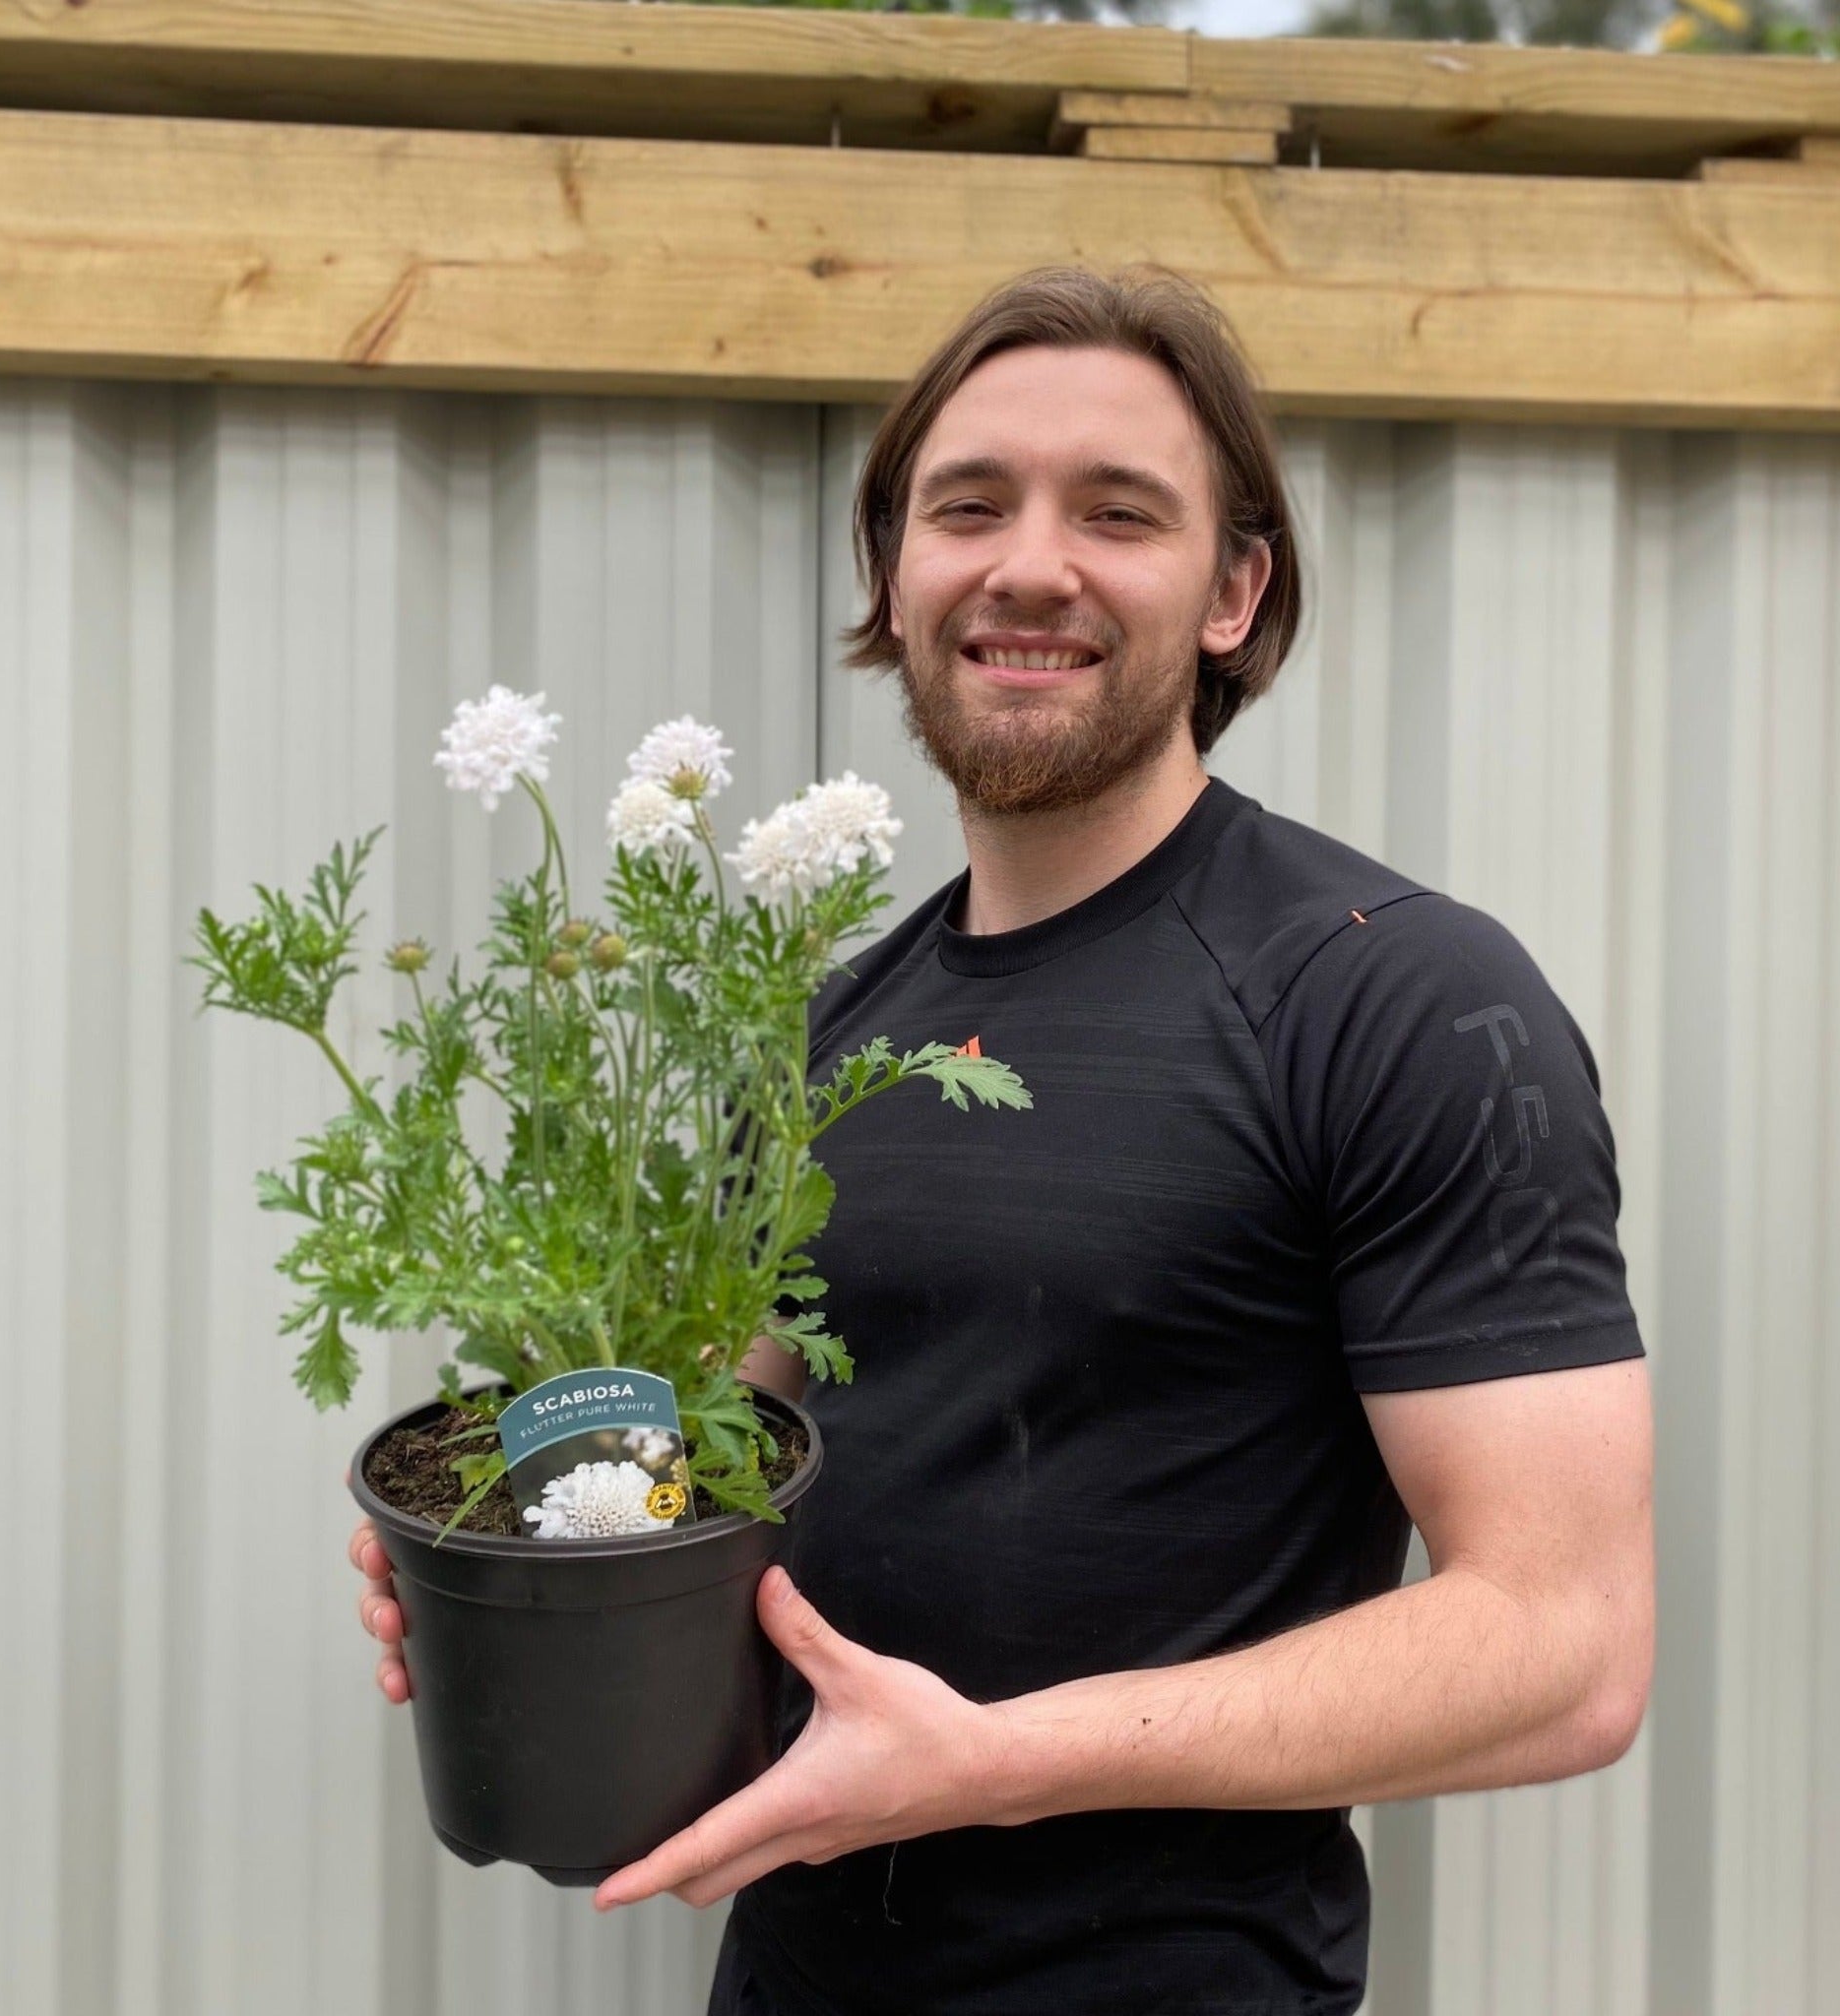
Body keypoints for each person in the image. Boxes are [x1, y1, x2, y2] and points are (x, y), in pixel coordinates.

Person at [349, 265, 1654, 2016]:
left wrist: (992, 1761)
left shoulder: (1394, 997)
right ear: (897, 573)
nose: (1030, 563)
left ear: (1233, 589)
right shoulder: (828, 1040)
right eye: (970, 506)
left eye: (1118, 514)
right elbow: (724, 1448)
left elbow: (1564, 1651)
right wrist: (530, 1548)